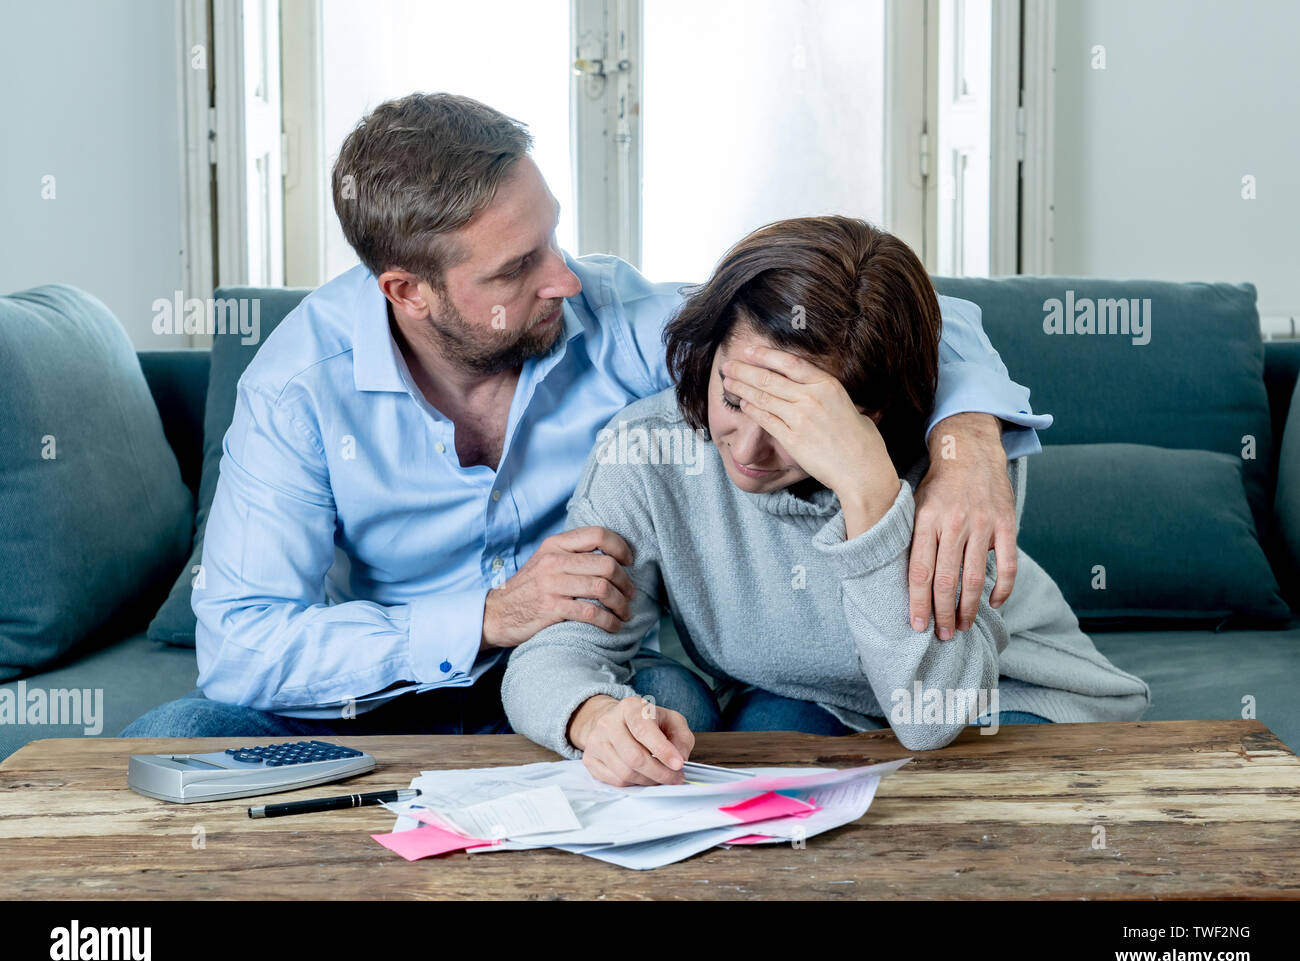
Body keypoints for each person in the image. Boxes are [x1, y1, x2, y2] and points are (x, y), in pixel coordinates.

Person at [123, 93, 1050, 740]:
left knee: (685, 712)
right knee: (174, 739)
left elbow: (848, 306)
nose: (561, 277)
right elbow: (241, 644)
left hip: (598, 672)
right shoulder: (299, 388)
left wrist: (966, 445)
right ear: (406, 291)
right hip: (379, 691)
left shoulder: (607, 319)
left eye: (551, 237)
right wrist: (487, 615)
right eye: (515, 269)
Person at [502, 216, 1151, 786]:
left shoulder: (952, 476)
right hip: (827, 698)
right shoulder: (647, 451)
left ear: (873, 416)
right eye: (734, 399)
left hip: (1001, 697)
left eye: (795, 426)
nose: (750, 451)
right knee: (757, 735)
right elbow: (555, 652)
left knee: (965, 805)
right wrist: (590, 717)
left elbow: (934, 717)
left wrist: (870, 494)